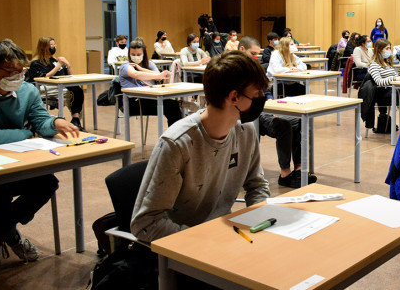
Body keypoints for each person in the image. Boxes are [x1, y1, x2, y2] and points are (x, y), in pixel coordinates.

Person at [130, 50, 270, 242]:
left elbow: (256, 185)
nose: (262, 97)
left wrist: (259, 220)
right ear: (234, 97)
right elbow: (145, 224)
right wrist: (204, 242)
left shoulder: (245, 132)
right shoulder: (177, 143)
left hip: (224, 240)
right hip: (184, 248)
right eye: (257, 93)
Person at [0, 39, 80, 270]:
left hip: (20, 160)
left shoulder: (27, 91)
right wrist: (26, 133)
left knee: (46, 182)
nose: (19, 77)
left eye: (22, 72)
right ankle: (12, 237)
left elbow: (40, 120)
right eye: (12, 73)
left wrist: (55, 121)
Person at [237, 36, 316, 188]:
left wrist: (270, 101)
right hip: (248, 114)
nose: (256, 57)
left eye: (257, 54)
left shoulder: (255, 67)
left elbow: (265, 89)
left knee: (298, 120)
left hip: (264, 108)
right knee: (283, 124)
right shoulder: (234, 69)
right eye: (253, 53)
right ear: (242, 50)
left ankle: (298, 169)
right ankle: (285, 174)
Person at [119, 37, 183, 127]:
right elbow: (136, 74)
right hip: (134, 103)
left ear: (143, 54)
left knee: (173, 106)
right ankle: (172, 138)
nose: (135, 56)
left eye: (138, 54)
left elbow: (157, 76)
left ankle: (174, 137)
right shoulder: (126, 66)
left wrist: (142, 69)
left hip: (150, 98)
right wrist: (158, 75)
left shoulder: (150, 64)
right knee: (172, 106)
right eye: (132, 54)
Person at [25, 37, 86, 131]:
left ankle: (75, 119)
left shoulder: (54, 61)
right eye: (51, 45)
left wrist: (67, 64)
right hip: (45, 87)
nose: (53, 47)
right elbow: (43, 77)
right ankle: (66, 120)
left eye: (54, 45)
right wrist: (58, 65)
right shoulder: (36, 63)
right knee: (70, 93)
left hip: (59, 85)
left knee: (77, 90)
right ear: (43, 47)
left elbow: (70, 76)